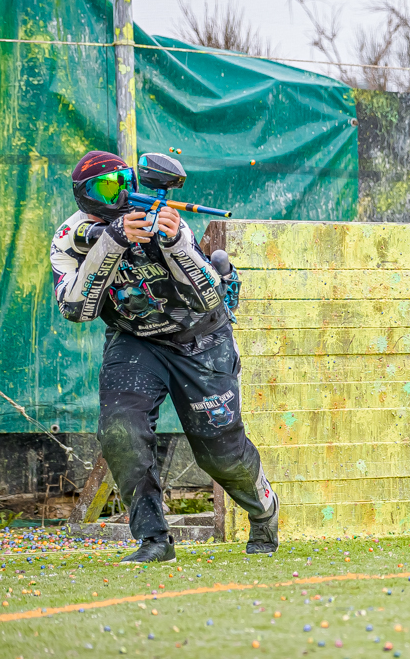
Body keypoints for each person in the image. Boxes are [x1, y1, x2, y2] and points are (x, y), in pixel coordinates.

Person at [50, 150, 278, 562]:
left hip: (201, 339)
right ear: (84, 195)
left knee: (219, 453)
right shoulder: (69, 239)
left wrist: (174, 244)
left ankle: (263, 509)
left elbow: (209, 297)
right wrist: (112, 243)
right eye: (107, 187)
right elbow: (76, 310)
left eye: (124, 180)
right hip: (135, 340)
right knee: (121, 431)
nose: (122, 193)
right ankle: (154, 538)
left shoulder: (165, 220)